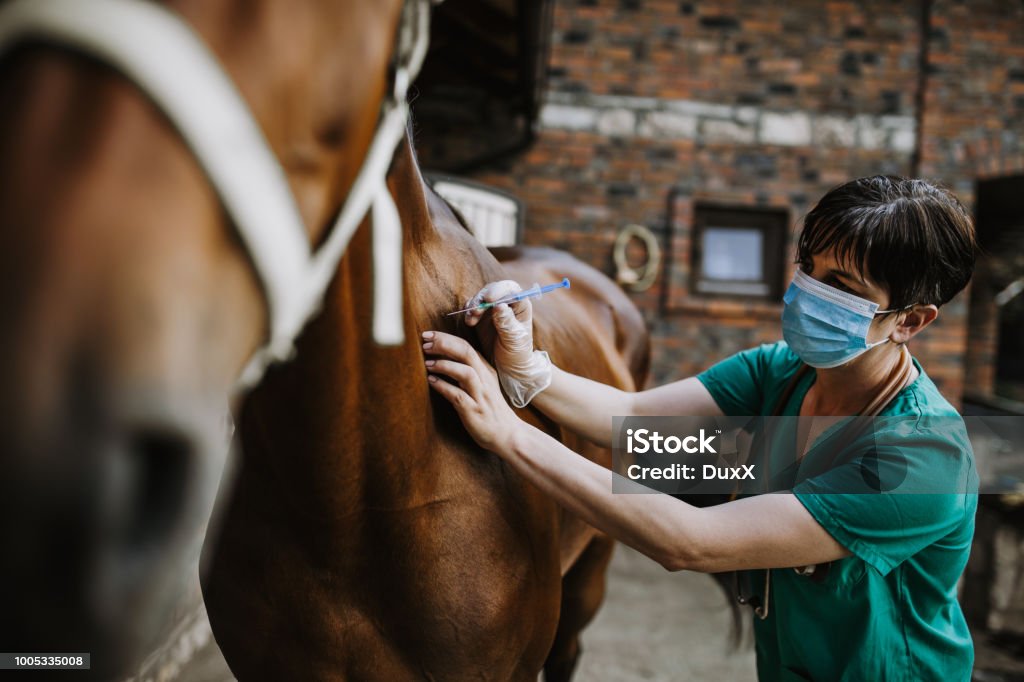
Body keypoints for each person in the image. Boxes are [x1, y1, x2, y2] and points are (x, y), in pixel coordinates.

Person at [421, 175, 979, 681]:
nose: (810, 291)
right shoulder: (780, 371)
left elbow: (689, 541)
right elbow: (633, 420)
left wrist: (511, 434)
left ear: (909, 320)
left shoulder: (921, 458)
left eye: (843, 285)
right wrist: (528, 368)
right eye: (808, 267)